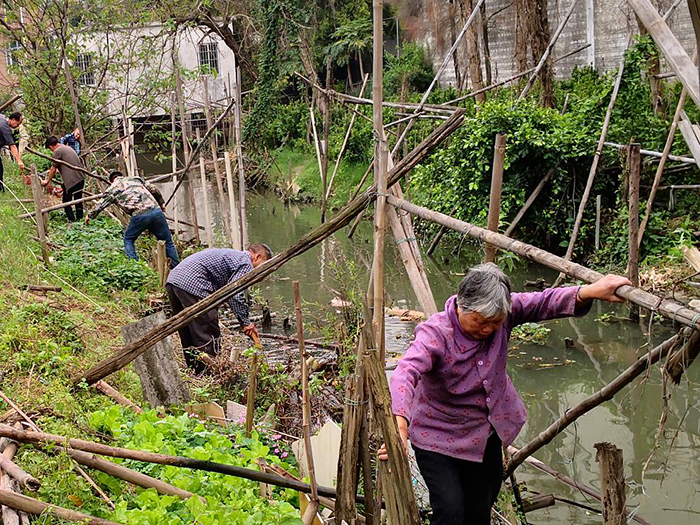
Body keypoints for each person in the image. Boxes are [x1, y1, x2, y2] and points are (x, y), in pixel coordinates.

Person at [379, 263, 632, 525]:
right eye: (480, 321)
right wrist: (400, 422)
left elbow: (543, 302)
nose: (488, 329)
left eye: (496, 323)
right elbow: (406, 371)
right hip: (438, 436)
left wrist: (589, 291)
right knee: (450, 511)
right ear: (461, 306)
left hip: (483, 433)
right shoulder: (435, 334)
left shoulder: (505, 313)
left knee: (480, 510)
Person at [165, 245, 272, 373]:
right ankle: (210, 372)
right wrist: (245, 322)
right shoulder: (246, 263)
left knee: (187, 329)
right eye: (264, 266)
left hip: (173, 281)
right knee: (208, 329)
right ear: (257, 257)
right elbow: (235, 294)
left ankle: (195, 370)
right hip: (192, 284)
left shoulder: (234, 256)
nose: (264, 273)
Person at [85, 171, 179, 267]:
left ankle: (135, 266)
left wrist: (90, 215)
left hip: (140, 215)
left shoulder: (113, 188)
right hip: (156, 211)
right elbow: (154, 189)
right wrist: (161, 203)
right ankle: (177, 268)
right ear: (122, 176)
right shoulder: (135, 179)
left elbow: (101, 204)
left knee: (128, 239)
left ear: (112, 181)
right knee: (168, 242)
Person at [42, 136, 85, 221]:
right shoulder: (67, 148)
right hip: (80, 178)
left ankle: (72, 220)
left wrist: (47, 180)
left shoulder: (57, 151)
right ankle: (80, 219)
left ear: (51, 146)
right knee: (78, 200)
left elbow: (53, 169)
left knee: (66, 202)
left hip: (72, 181)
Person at [0, 111, 25, 192]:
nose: (18, 126)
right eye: (18, 123)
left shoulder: (2, 118)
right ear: (13, 120)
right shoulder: (5, 127)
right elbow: (12, 145)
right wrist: (19, 161)